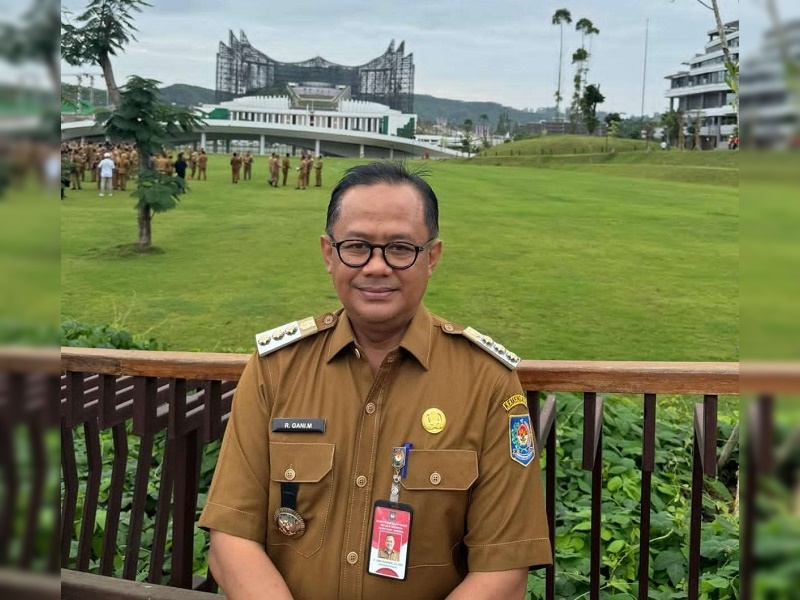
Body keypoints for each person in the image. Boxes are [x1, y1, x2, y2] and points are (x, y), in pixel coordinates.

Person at [199, 162, 552, 600]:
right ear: (329, 254)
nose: (377, 266)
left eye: (400, 248)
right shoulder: (277, 368)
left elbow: (504, 570)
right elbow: (231, 536)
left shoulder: (487, 382)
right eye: (357, 246)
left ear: (432, 257)